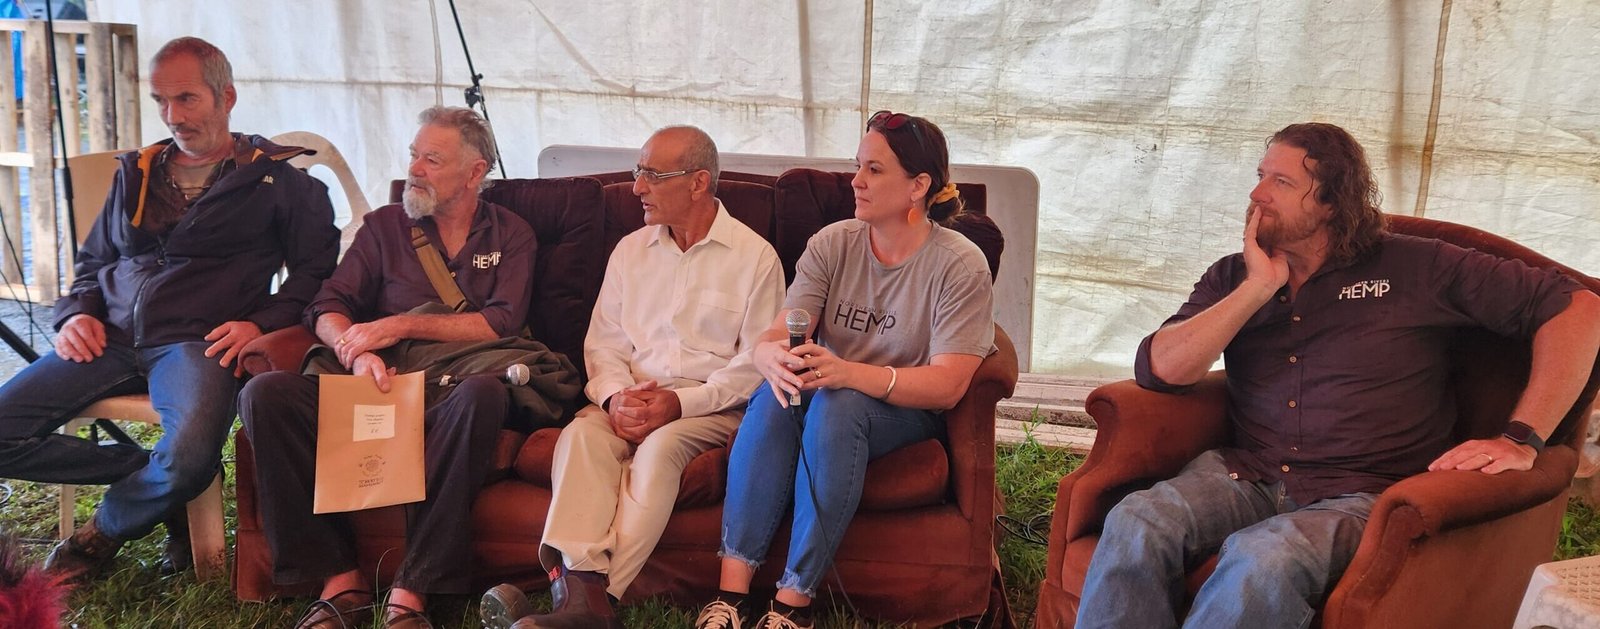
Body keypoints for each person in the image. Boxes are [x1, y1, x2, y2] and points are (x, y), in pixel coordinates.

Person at [1075, 122, 1600, 629]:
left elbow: (1581, 312)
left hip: (1364, 492)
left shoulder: (1417, 266)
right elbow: (1162, 371)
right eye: (1260, 175)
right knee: (1137, 521)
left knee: (1261, 559)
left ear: (1331, 200)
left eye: (1281, 182)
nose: (1258, 194)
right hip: (1247, 474)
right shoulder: (1235, 275)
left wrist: (1522, 439)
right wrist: (1257, 290)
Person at [0, 36, 339, 582]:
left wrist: (262, 322)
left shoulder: (280, 182)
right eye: (161, 100)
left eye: (187, 99)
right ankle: (163, 484)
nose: (172, 116)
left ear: (226, 97)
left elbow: (319, 273)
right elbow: (93, 262)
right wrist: (76, 313)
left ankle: (101, 533)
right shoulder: (137, 171)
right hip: (106, 336)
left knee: (185, 456)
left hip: (197, 343)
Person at [239, 106, 577, 629]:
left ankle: (414, 588)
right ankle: (337, 580)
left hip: (456, 386)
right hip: (378, 384)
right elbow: (327, 307)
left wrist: (395, 326)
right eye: (414, 155)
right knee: (265, 394)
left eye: (432, 159)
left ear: (475, 171)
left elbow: (499, 324)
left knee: (483, 396)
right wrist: (357, 351)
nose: (415, 169)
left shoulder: (511, 234)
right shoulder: (383, 228)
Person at [693, 111, 995, 629]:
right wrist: (770, 359)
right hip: (833, 384)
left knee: (837, 402)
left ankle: (793, 602)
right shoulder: (833, 243)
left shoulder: (959, 265)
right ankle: (732, 598)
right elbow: (778, 334)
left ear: (919, 186)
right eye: (858, 166)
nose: (856, 181)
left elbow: (947, 385)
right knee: (776, 395)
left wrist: (848, 373)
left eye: (874, 170)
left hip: (903, 407)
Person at [478, 126, 785, 629]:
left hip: (707, 408)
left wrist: (679, 406)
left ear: (698, 182)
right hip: (630, 398)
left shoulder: (756, 259)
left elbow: (756, 364)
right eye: (637, 172)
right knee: (579, 438)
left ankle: (586, 601)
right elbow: (603, 344)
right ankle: (589, 607)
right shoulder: (629, 251)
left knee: (661, 452)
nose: (637, 187)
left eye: (651, 175)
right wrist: (616, 398)